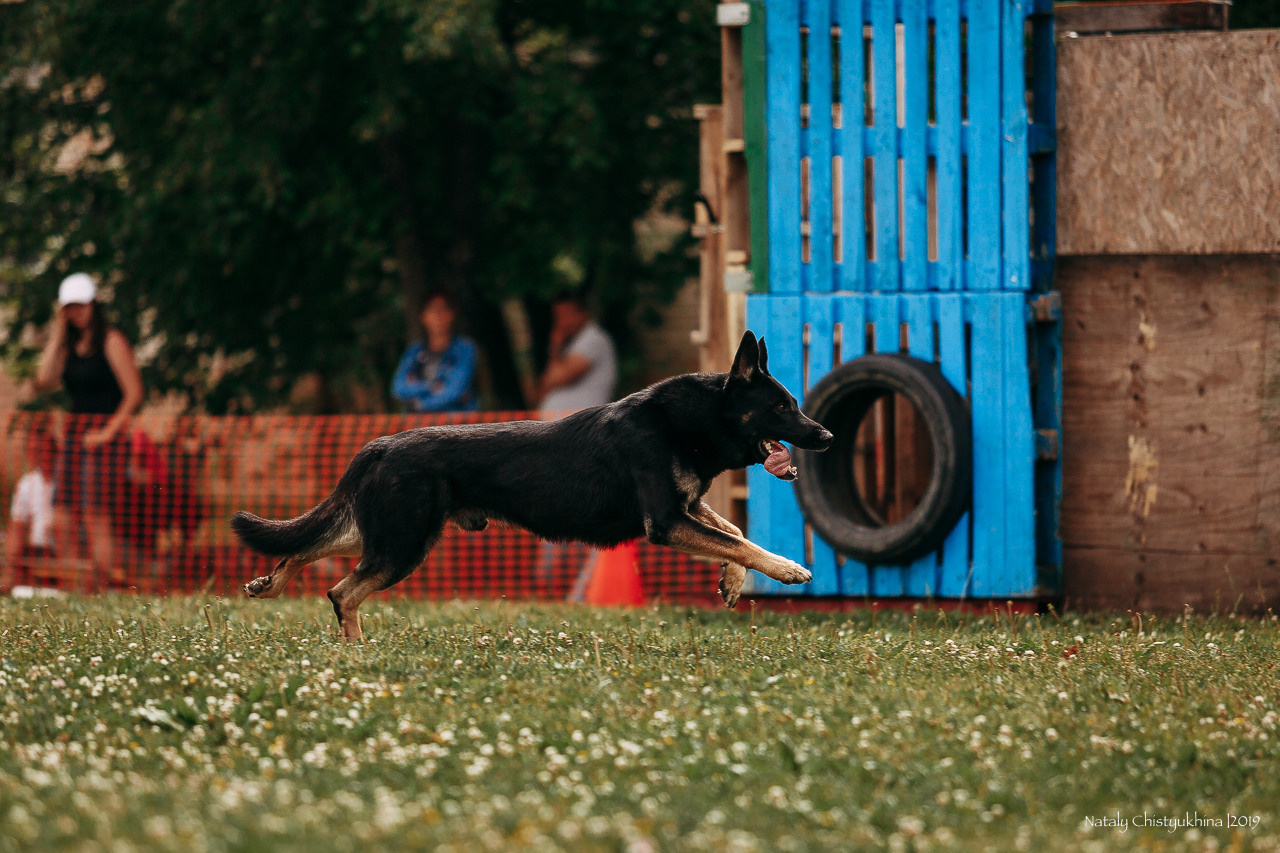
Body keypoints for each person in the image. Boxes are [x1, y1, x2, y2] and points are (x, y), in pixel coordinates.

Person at [32, 273, 144, 592]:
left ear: (94, 305)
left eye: (80, 305)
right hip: (74, 437)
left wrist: (107, 432)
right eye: (69, 307)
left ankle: (99, 589)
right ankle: (77, 586)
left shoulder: (112, 341)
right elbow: (43, 381)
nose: (75, 312)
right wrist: (56, 334)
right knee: (61, 517)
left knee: (96, 517)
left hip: (106, 438)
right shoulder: (67, 347)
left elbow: (134, 393)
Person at [390, 290, 478, 413]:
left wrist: (420, 404)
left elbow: (455, 390)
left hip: (457, 424)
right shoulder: (414, 351)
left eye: (443, 309)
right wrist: (431, 386)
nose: (438, 315)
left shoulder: (464, 348)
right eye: (432, 309)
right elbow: (399, 388)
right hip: (418, 427)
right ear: (423, 316)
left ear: (452, 313)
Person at [538, 292, 617, 413]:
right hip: (568, 424)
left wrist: (555, 347)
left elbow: (560, 378)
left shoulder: (592, 339)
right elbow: (543, 386)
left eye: (567, 315)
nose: (563, 322)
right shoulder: (573, 344)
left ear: (583, 313)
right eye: (559, 316)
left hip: (580, 424)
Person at [2, 428, 58, 595]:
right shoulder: (27, 483)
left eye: (41, 450)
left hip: (60, 549)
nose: (37, 455)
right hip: (36, 550)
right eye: (33, 450)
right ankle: (8, 578)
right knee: (15, 533)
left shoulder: (66, 481)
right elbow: (17, 525)